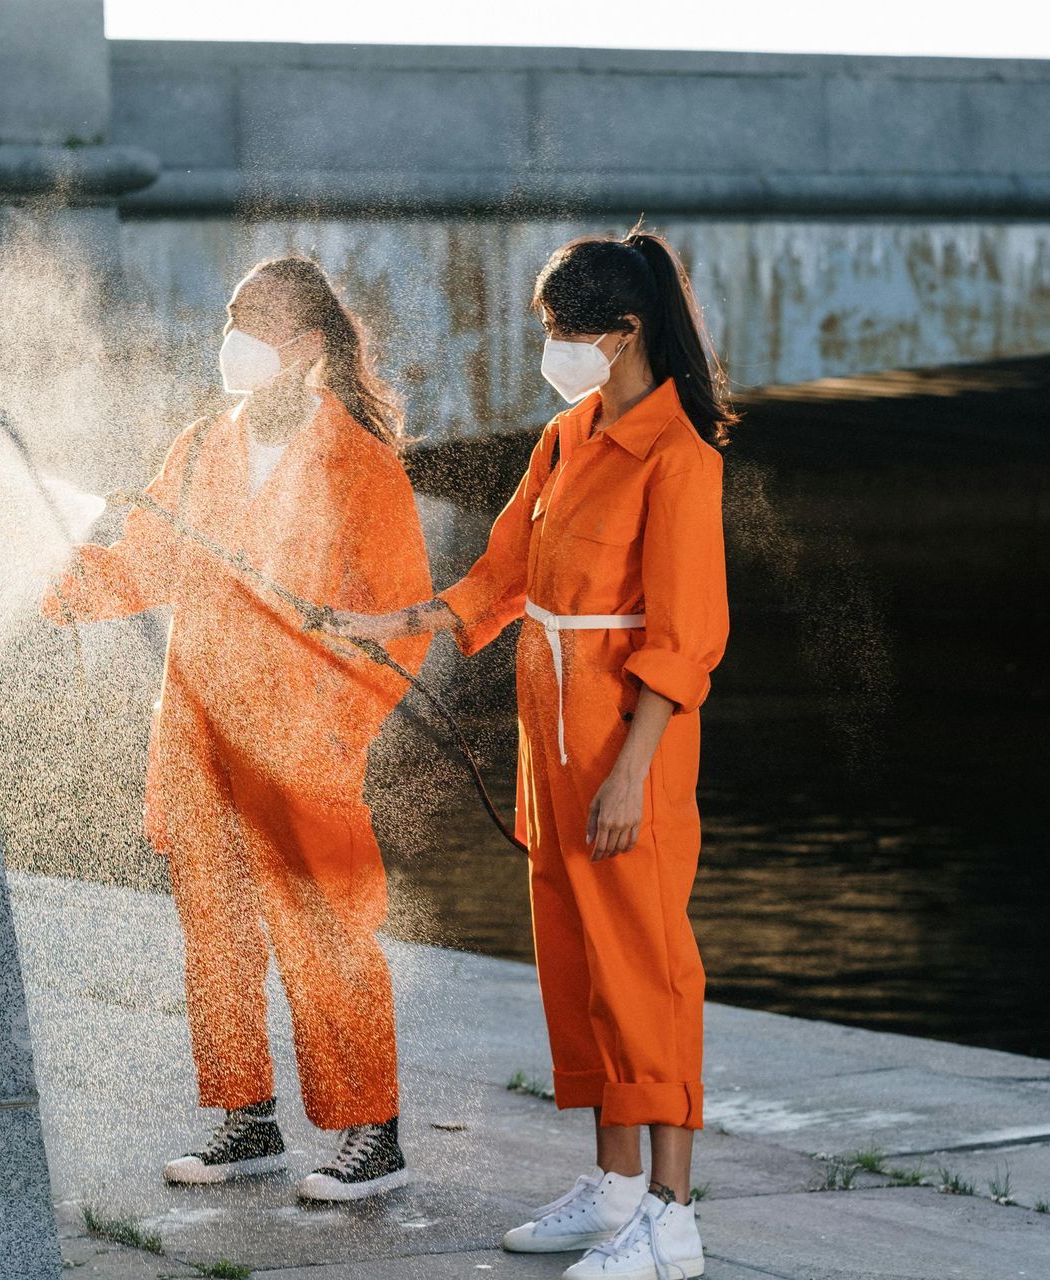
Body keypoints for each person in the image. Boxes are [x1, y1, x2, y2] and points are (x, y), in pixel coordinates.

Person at [331, 223, 731, 1275]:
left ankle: (673, 1216)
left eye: (562, 329)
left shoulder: (679, 456)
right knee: (579, 963)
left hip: (627, 754)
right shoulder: (564, 438)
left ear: (624, 331)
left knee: (646, 969)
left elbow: (685, 639)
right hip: (548, 750)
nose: (550, 348)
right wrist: (399, 620)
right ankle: (615, 1188)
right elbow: (504, 572)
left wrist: (631, 774)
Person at [41, 256, 433, 1202]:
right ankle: (245, 1119)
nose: (234, 343)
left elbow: (400, 623)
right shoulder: (201, 447)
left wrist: (336, 738)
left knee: (325, 933)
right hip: (198, 735)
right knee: (214, 936)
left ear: (307, 346)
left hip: (301, 746)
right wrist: (57, 577)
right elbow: (145, 565)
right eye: (230, 321)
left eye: (256, 326)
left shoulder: (360, 465)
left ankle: (370, 1135)